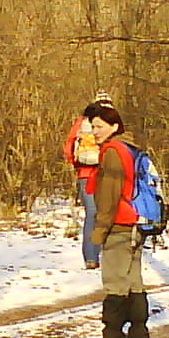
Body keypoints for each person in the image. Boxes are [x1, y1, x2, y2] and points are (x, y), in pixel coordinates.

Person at [84, 103, 150, 338]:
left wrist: (99, 231)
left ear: (114, 126)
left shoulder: (112, 152)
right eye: (93, 127)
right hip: (137, 224)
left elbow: (110, 197)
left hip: (120, 225)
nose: (95, 131)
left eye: (99, 126)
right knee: (134, 283)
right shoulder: (130, 149)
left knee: (115, 284)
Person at [62, 91, 116, 269]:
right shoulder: (112, 123)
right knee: (110, 214)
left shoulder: (82, 123)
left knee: (91, 215)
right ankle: (111, 255)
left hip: (85, 175)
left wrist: (77, 165)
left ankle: (91, 258)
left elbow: (69, 148)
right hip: (108, 173)